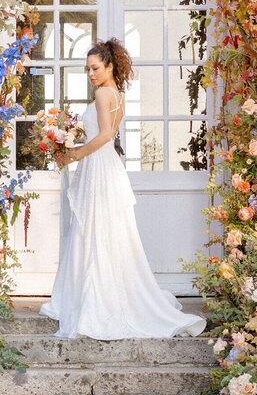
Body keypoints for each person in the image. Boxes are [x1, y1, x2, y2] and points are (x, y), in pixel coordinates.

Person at [40, 38, 206, 340]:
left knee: (93, 229)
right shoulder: (116, 93)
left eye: (95, 68)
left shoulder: (104, 93)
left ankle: (94, 299)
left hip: (99, 165)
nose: (91, 74)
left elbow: (104, 135)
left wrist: (75, 152)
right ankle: (99, 292)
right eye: (87, 69)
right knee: (103, 230)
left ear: (110, 67)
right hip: (106, 166)